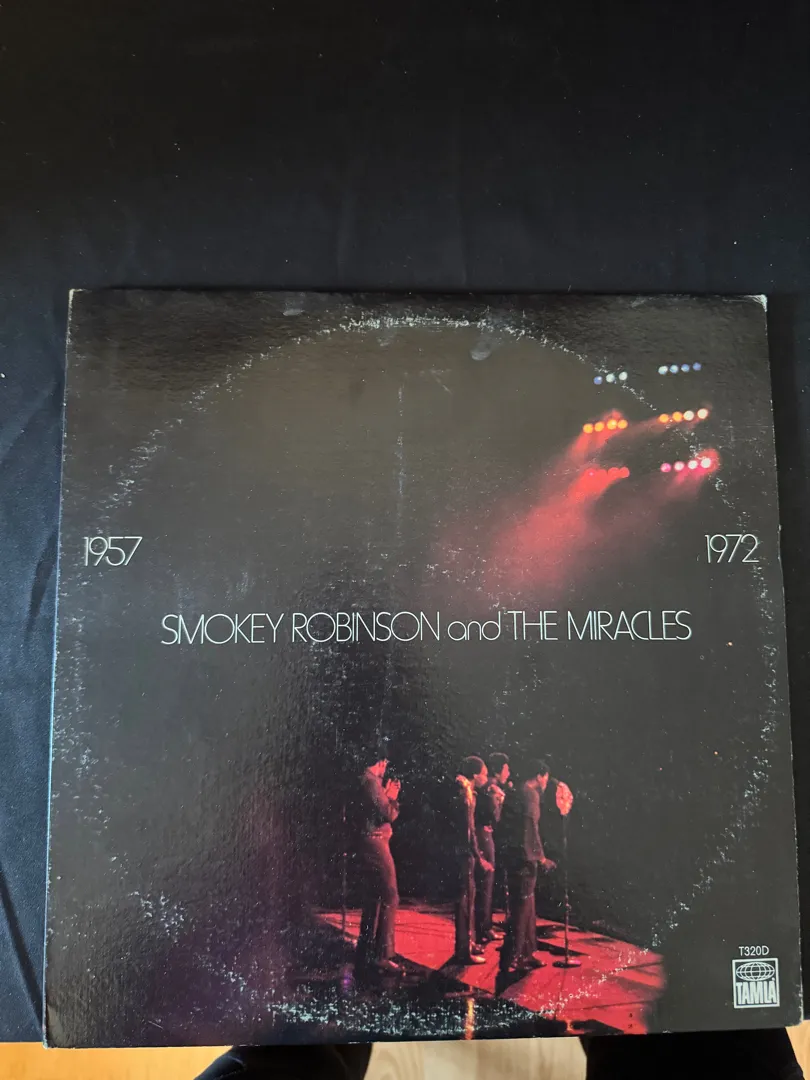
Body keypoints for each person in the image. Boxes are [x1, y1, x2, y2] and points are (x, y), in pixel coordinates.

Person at [498, 759, 559, 975]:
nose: (545, 784)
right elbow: (530, 828)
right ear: (540, 776)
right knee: (522, 909)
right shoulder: (530, 794)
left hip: (514, 855)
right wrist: (541, 858)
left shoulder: (517, 791)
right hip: (524, 859)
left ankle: (527, 952)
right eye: (545, 779)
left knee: (527, 906)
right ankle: (515, 956)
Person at [353, 748, 401, 974]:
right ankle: (382, 954)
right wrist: (391, 796)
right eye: (385, 764)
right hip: (375, 843)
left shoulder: (367, 782)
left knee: (375, 898)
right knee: (389, 894)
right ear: (380, 762)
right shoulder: (371, 782)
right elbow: (388, 814)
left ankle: (367, 953)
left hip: (371, 841)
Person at [451, 756, 494, 965]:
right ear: (475, 775)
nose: (486, 777)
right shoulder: (465, 795)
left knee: (469, 897)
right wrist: (479, 857)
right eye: (484, 773)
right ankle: (464, 950)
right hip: (464, 855)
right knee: (465, 901)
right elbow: (468, 832)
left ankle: (468, 943)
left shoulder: (466, 793)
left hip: (463, 852)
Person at [474, 751, 509, 945]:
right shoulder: (493, 789)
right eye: (506, 769)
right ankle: (484, 928)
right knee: (486, 884)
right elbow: (495, 817)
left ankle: (481, 926)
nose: (508, 774)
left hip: (481, 834)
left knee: (483, 884)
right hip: (485, 835)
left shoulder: (485, 787)